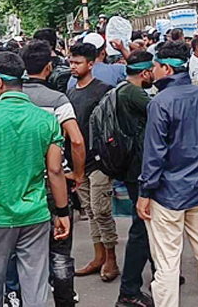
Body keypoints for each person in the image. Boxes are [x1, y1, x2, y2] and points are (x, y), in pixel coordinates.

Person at [0, 51, 70, 307]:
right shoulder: (46, 121)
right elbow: (55, 171)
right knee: (35, 286)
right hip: (35, 215)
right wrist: (62, 211)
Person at [136, 41, 198, 307]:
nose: (153, 71)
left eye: (155, 66)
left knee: (167, 262)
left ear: (165, 68)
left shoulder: (160, 102)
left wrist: (145, 192)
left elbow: (154, 155)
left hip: (167, 193)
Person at [12, 41, 86, 307]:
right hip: (54, 184)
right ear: (48, 67)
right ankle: (64, 299)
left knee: (23, 250)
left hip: (18, 185)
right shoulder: (57, 100)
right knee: (60, 249)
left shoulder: (8, 99)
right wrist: (77, 173)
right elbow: (76, 141)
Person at [67, 42, 119, 281]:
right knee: (89, 210)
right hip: (79, 162)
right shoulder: (71, 92)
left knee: (102, 210)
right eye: (71, 62)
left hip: (101, 161)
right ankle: (98, 256)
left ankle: (111, 257)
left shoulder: (105, 90)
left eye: (78, 62)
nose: (73, 66)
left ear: (91, 63)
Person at [114, 51, 156, 307]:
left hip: (131, 168)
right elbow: (162, 114)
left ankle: (160, 272)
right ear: (145, 73)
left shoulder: (122, 89)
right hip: (138, 170)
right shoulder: (135, 94)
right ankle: (129, 291)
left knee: (146, 226)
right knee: (141, 229)